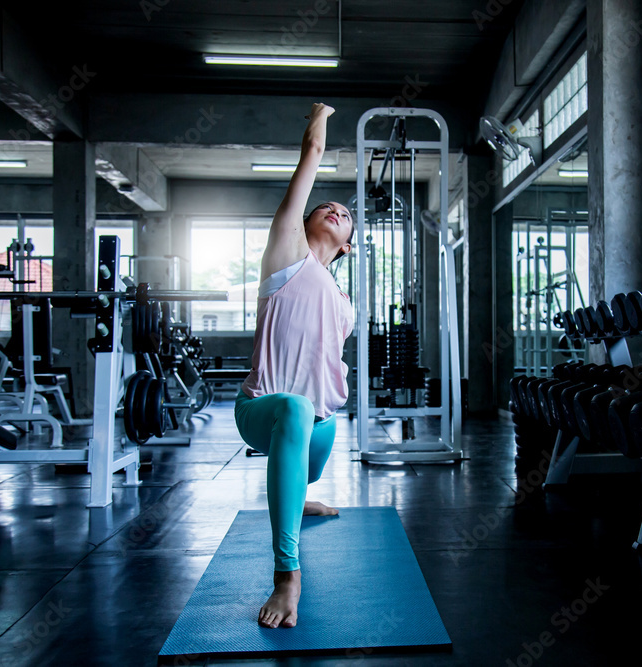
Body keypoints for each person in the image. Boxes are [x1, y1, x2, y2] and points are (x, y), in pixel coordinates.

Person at [234, 102, 355, 629]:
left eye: (344, 214)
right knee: (298, 408)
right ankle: (287, 575)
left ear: (347, 244)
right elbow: (313, 152)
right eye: (325, 206)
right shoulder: (286, 254)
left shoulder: (344, 300)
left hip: (319, 424)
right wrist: (320, 113)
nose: (334, 208)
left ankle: (297, 497)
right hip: (265, 409)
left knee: (314, 424)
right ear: (303, 221)